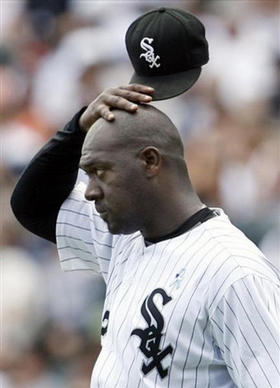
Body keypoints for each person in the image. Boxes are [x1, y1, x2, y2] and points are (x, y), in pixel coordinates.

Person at [11, 84, 280, 388]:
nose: (90, 190)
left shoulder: (234, 271)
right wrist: (78, 127)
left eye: (101, 171)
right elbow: (31, 205)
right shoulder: (123, 238)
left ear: (150, 161)